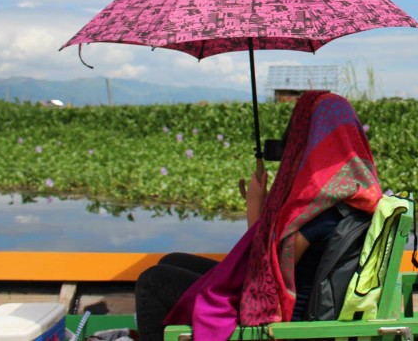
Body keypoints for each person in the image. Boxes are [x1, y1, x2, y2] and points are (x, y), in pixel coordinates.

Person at [134, 91, 382, 341]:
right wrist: (266, 206)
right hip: (295, 293)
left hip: (282, 317)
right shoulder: (353, 191)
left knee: (152, 282)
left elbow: (263, 274)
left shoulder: (318, 210)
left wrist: (254, 207)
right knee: (171, 260)